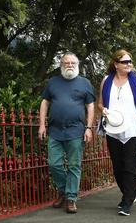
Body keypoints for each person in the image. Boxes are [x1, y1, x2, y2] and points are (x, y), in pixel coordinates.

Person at [39, 52, 96, 213]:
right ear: (61, 65)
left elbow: (90, 106)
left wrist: (89, 128)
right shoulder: (53, 82)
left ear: (77, 65)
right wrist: (42, 125)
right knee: (54, 164)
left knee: (74, 165)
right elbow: (45, 103)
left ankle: (71, 198)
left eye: (72, 63)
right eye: (66, 63)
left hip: (76, 130)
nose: (69, 65)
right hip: (55, 130)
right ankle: (64, 190)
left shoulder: (85, 83)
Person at [98, 49, 136, 216]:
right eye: (125, 62)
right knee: (117, 168)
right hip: (113, 130)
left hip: (133, 129)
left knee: (129, 167)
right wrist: (104, 110)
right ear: (116, 64)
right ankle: (128, 193)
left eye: (130, 62)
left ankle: (127, 201)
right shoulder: (106, 81)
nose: (129, 64)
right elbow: (100, 103)